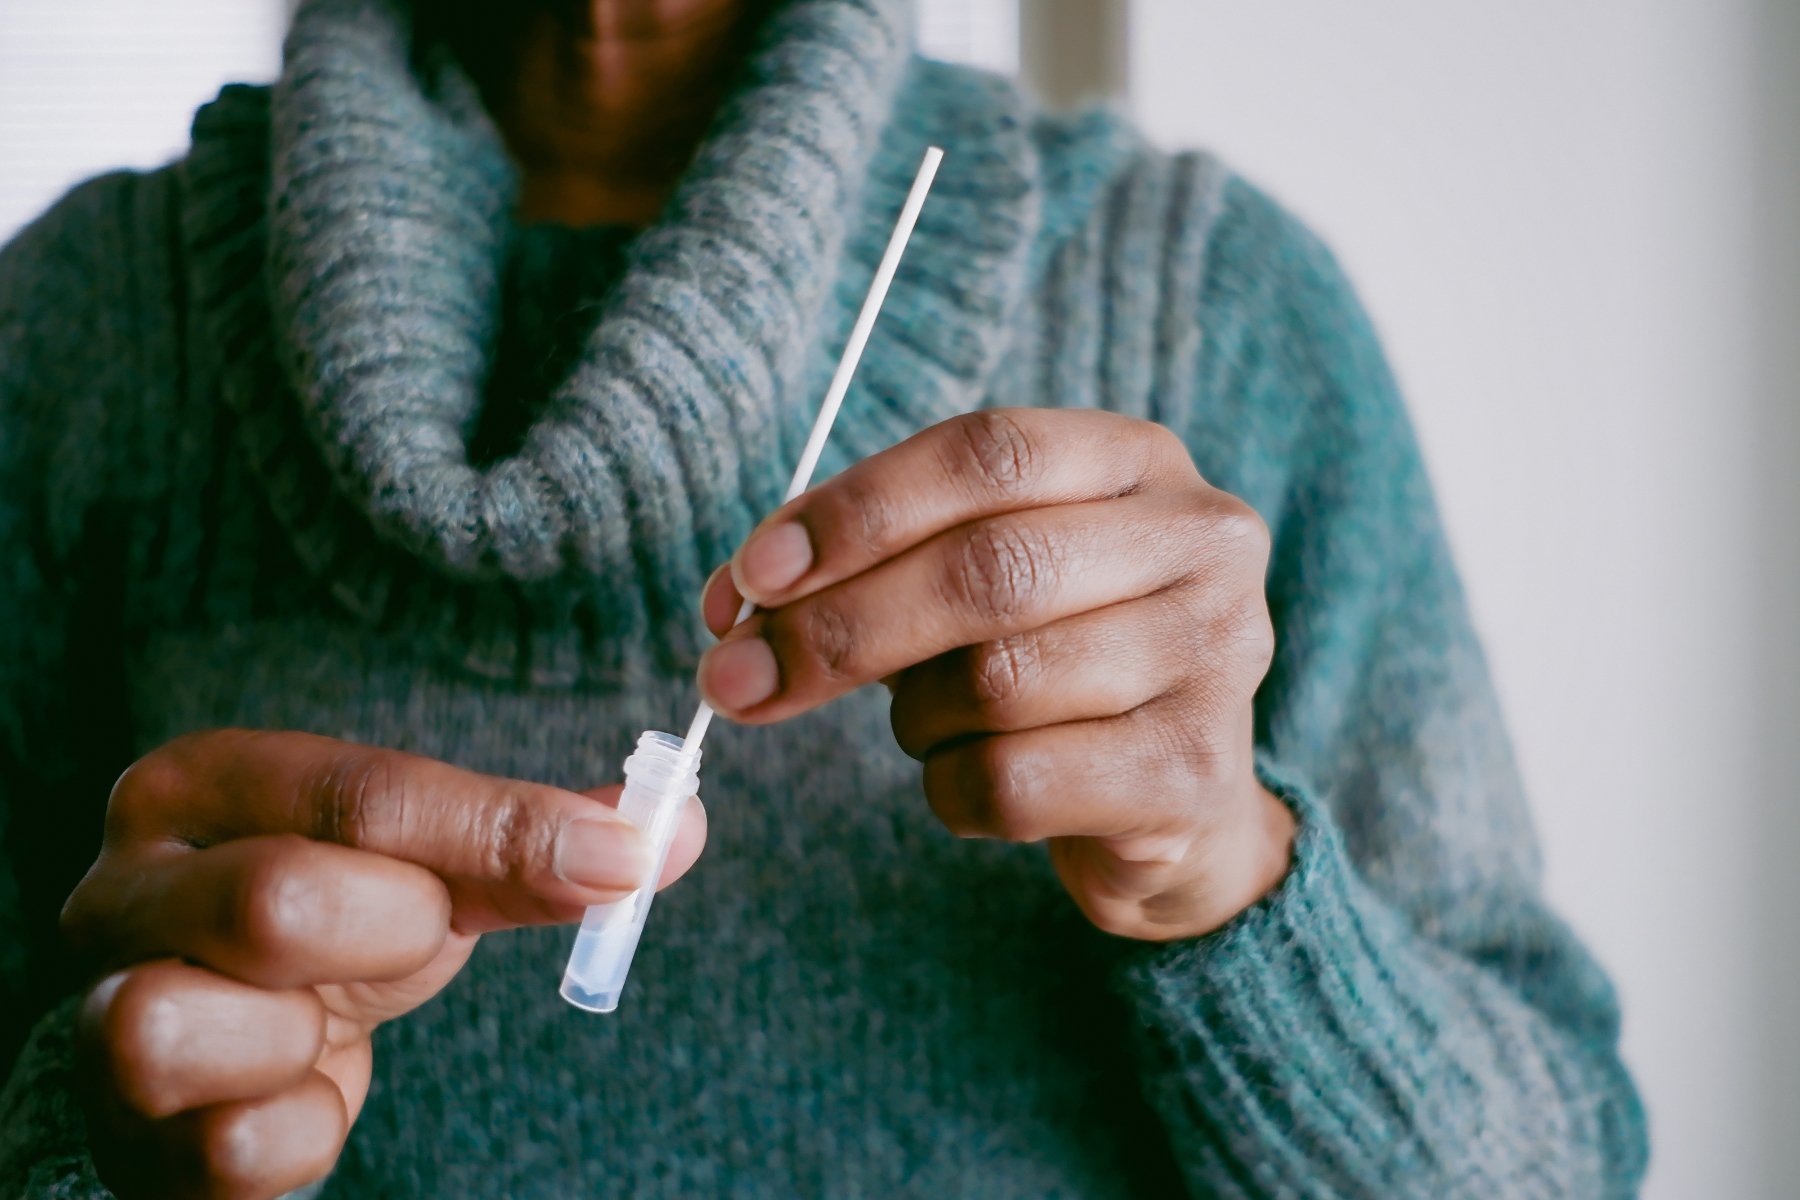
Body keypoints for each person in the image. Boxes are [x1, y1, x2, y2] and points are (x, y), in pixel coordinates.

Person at [0, 0, 1648, 1196]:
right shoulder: (82, 336)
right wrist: (87, 1140)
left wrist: (1219, 881)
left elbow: (1555, 1165)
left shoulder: (1216, 307)